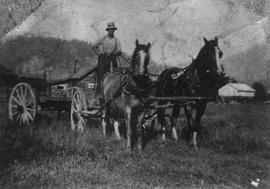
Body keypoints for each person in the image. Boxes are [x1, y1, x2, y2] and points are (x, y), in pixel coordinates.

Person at [93, 22, 122, 98]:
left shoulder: (116, 40)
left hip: (112, 58)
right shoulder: (103, 38)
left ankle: (113, 93)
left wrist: (116, 52)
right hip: (103, 59)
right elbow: (94, 46)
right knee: (101, 76)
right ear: (108, 30)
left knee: (115, 75)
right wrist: (99, 54)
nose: (112, 31)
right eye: (110, 29)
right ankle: (99, 94)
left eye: (113, 30)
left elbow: (119, 50)